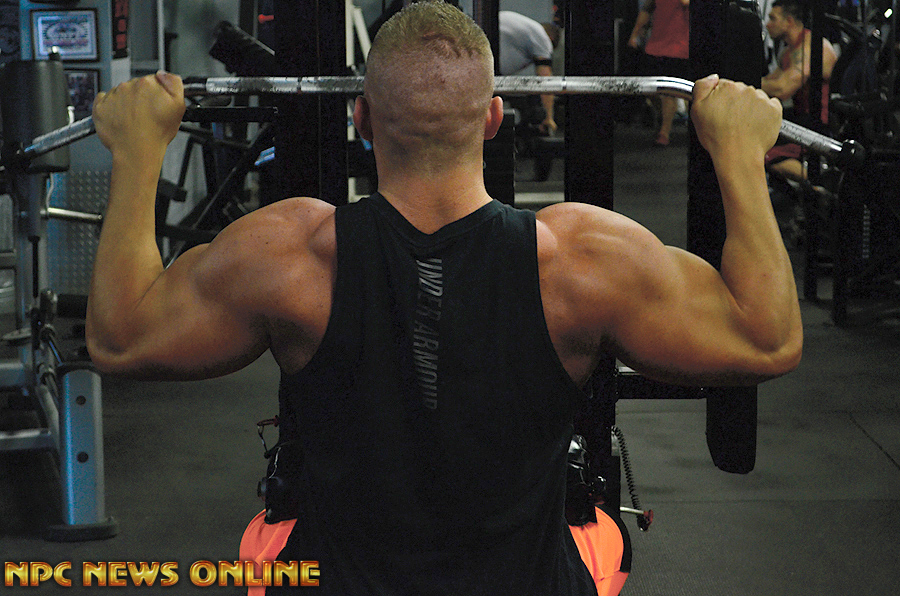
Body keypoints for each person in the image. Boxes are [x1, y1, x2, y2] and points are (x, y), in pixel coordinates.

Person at [88, 1, 801, 594]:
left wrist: (139, 153)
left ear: (362, 119)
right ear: (493, 118)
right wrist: (740, 156)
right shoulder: (581, 261)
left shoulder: (290, 254)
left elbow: (120, 340)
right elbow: (765, 340)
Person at [761, 0, 838, 182]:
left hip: (819, 123)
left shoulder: (809, 47)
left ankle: (818, 186)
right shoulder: (788, 52)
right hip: (800, 118)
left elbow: (782, 89)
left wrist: (748, 84)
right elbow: (771, 82)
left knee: (760, 151)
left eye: (773, 18)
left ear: (789, 21)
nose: (768, 24)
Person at [627, 0, 691, 146]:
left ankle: (664, 133)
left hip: (678, 47)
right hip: (655, 46)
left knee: (669, 93)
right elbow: (646, 9)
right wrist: (635, 34)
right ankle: (665, 116)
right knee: (647, 90)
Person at [499, 10, 560, 135]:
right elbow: (546, 82)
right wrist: (549, 118)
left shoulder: (526, 28)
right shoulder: (543, 39)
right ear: (551, 39)